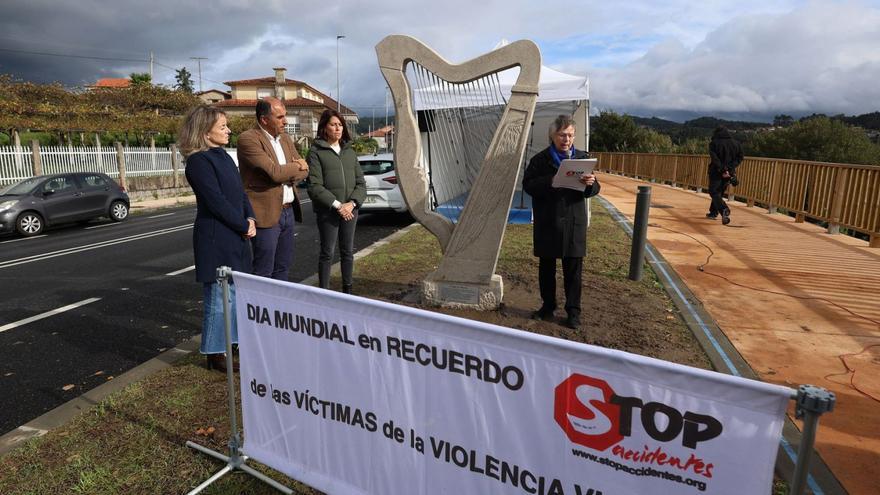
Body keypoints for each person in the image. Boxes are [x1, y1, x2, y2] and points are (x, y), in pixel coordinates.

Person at [179, 105, 256, 372]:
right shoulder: (199, 162)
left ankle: (232, 342)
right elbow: (216, 202)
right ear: (205, 131)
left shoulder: (224, 156)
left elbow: (240, 193)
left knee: (234, 294)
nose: (228, 130)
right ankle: (214, 352)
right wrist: (241, 224)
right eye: (223, 127)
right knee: (218, 297)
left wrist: (251, 219)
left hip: (235, 233)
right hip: (216, 237)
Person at [523, 115, 601, 330]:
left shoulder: (583, 159)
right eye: (561, 135)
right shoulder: (540, 160)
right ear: (553, 135)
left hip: (573, 222)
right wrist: (552, 180)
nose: (566, 139)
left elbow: (594, 191)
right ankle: (548, 307)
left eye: (569, 135)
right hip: (548, 221)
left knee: (573, 271)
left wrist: (590, 184)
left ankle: (573, 312)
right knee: (547, 268)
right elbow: (528, 185)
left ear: (574, 136)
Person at [237, 97, 310, 280]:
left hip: (288, 212)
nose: (285, 121)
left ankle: (279, 307)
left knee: (283, 267)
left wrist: (300, 167)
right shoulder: (248, 139)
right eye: (280, 117)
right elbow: (275, 173)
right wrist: (298, 165)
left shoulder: (285, 138)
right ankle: (259, 307)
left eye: (285, 116)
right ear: (264, 120)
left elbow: (305, 171)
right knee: (263, 271)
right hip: (266, 214)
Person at [307, 109, 366, 293]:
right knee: (328, 252)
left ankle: (347, 290)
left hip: (350, 210)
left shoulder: (349, 151)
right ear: (324, 127)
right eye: (333, 124)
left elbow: (361, 184)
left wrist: (352, 204)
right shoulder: (316, 152)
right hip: (329, 211)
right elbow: (315, 186)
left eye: (340, 125)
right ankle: (324, 292)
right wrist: (338, 205)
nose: (337, 128)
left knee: (348, 252)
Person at [706, 126, 743, 225]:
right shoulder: (736, 144)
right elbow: (740, 158)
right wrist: (729, 168)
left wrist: (722, 168)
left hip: (716, 171)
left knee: (713, 191)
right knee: (719, 192)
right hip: (729, 172)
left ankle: (724, 209)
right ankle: (713, 212)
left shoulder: (714, 143)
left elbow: (715, 159)